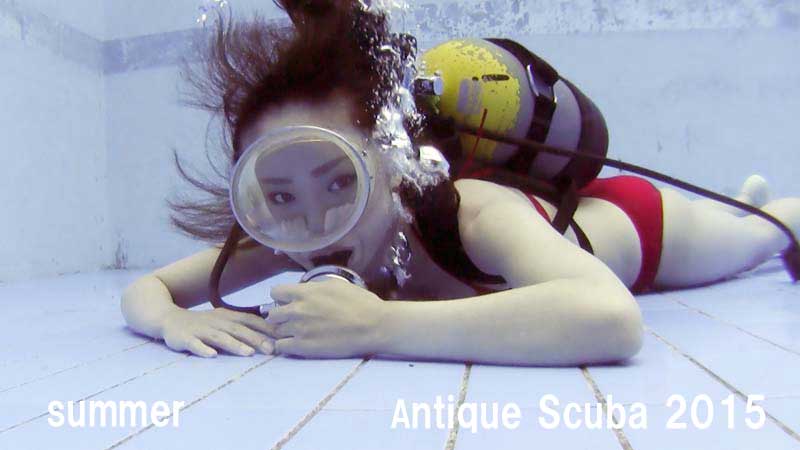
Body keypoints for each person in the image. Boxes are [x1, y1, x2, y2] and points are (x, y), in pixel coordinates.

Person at [120, 2, 800, 366]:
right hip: (585, 234)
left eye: (340, 182)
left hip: (644, 230)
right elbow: (146, 290)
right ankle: (748, 203)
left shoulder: (470, 211)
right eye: (279, 197)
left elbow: (613, 319)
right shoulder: (294, 237)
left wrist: (381, 326)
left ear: (390, 161)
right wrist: (173, 321)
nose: (316, 221)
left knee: (754, 241)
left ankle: (770, 212)